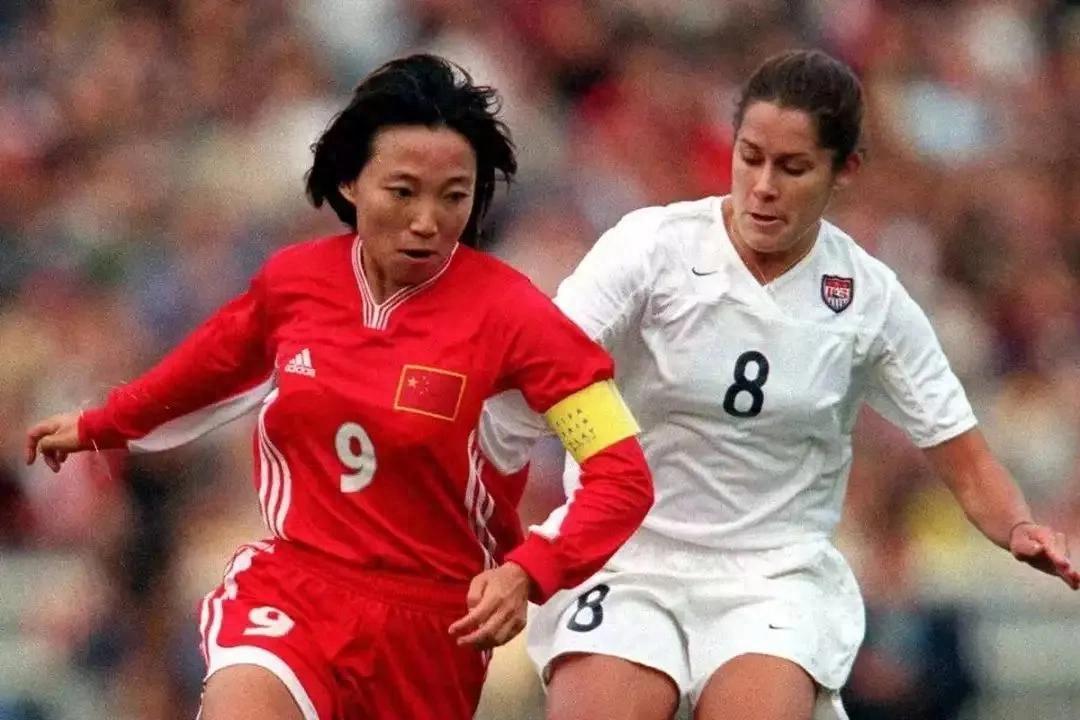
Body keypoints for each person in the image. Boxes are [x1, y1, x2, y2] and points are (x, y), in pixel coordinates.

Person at [24, 54, 654, 720]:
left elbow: (622, 474)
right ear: (351, 181)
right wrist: (100, 423)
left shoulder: (520, 318)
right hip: (295, 588)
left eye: (454, 196)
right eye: (403, 191)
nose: (428, 219)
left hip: (434, 626)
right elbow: (208, 369)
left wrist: (531, 569)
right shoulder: (293, 283)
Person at [479, 49, 1079, 720]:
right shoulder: (650, 249)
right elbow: (539, 372)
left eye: (793, 168)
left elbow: (964, 459)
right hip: (626, 553)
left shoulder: (869, 299)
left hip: (771, 575)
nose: (763, 185)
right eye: (750, 157)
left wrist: (1019, 526)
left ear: (843, 171)